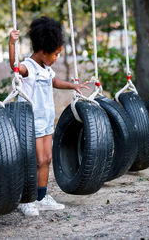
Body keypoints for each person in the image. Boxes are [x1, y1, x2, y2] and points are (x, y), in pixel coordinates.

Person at [9, 16, 89, 216]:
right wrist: (12, 44)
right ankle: (27, 200)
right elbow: (15, 67)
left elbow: (55, 82)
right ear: (43, 51)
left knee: (46, 159)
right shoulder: (29, 66)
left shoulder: (46, 68)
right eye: (55, 54)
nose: (57, 58)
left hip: (46, 123)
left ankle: (41, 197)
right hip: (31, 124)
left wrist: (73, 86)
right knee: (35, 160)